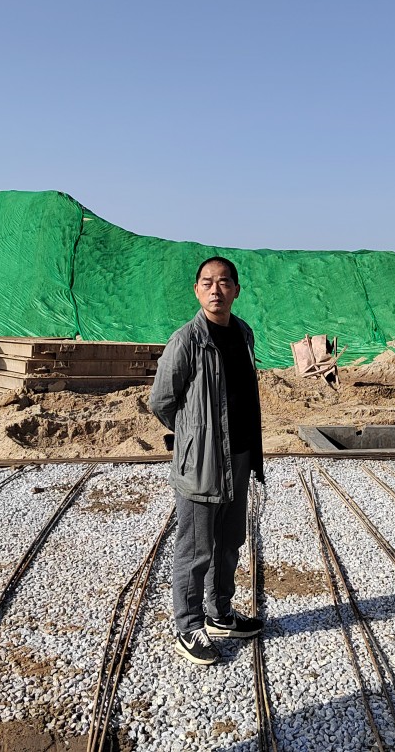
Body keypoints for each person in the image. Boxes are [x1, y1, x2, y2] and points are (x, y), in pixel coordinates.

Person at [150, 256, 266, 666]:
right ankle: (188, 625)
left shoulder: (244, 334)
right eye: (207, 282)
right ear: (197, 290)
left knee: (230, 541)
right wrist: (193, 437)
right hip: (201, 463)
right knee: (196, 549)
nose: (216, 290)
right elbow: (161, 401)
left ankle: (220, 613)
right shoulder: (186, 341)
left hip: (240, 456)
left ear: (236, 290)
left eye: (224, 282)